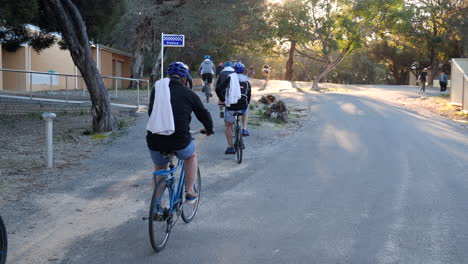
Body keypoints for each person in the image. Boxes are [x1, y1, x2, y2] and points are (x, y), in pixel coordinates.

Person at [147, 62, 214, 203]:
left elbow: (151, 112)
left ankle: (156, 205)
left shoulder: (156, 90)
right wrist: (209, 129)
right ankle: (189, 192)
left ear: (167, 77)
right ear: (184, 79)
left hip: (155, 140)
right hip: (179, 140)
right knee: (191, 156)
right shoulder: (189, 93)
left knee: (160, 167)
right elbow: (203, 114)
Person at [216, 61, 251, 155]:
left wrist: (223, 99)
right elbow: (249, 97)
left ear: (233, 70)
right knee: (246, 109)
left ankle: (230, 147)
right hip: (242, 106)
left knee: (228, 126)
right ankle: (244, 129)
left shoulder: (229, 78)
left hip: (231, 106)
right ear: (244, 71)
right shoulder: (247, 82)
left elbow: (218, 89)